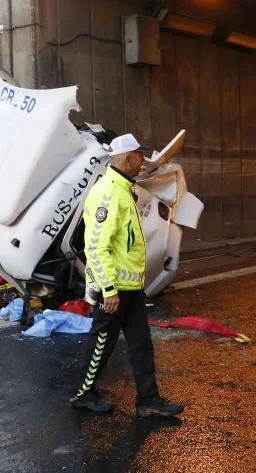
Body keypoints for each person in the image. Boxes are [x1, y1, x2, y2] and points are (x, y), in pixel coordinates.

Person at [70, 133, 185, 418]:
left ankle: (148, 399)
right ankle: (83, 394)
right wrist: (108, 289)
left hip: (131, 288)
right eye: (140, 156)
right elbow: (96, 246)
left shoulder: (123, 188)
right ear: (128, 158)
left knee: (141, 344)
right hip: (114, 290)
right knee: (101, 343)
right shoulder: (109, 193)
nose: (143, 161)